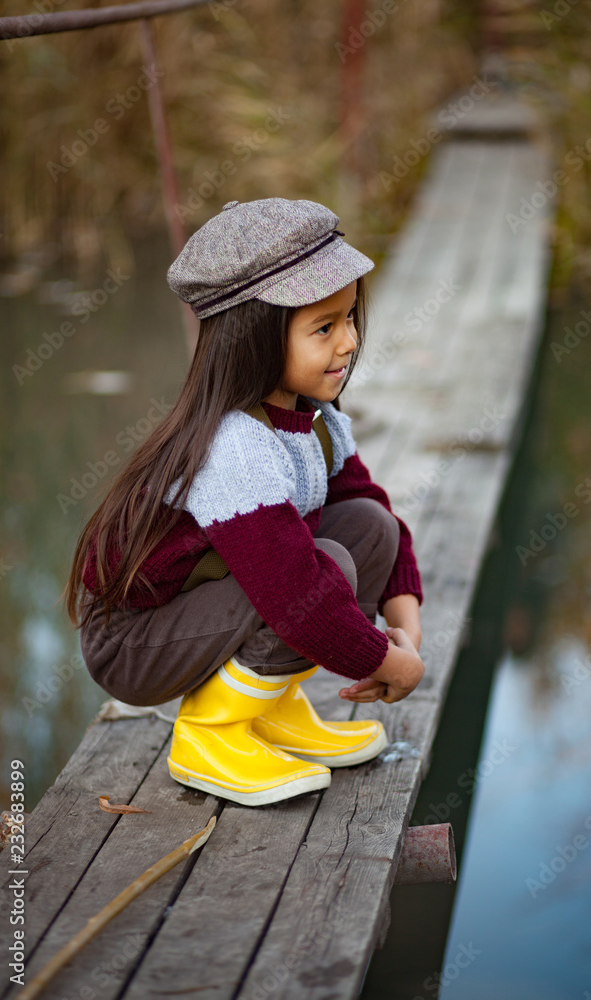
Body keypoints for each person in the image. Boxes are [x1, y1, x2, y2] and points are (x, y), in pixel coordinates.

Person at [64, 197, 425, 808]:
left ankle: (269, 705)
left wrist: (405, 623)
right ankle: (210, 733)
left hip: (210, 607)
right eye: (324, 327)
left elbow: (370, 506)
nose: (349, 342)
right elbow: (292, 592)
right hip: (135, 639)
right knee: (322, 569)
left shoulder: (314, 420)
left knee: (366, 525)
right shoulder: (233, 446)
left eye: (350, 318)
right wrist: (381, 660)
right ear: (255, 337)